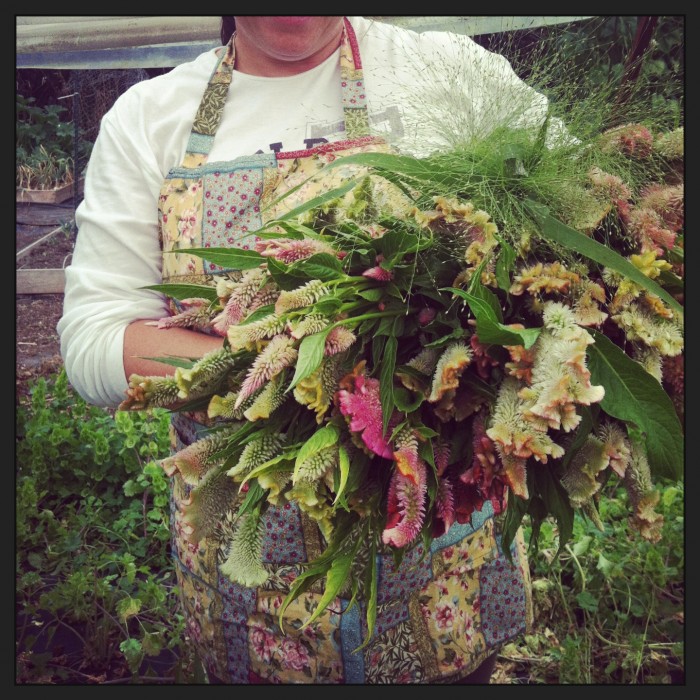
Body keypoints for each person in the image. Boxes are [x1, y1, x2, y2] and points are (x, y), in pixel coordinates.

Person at [59, 16, 558, 684]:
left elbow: (574, 223)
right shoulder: (150, 120)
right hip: (255, 578)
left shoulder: (452, 74)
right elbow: (95, 340)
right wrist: (288, 362)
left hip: (446, 568)